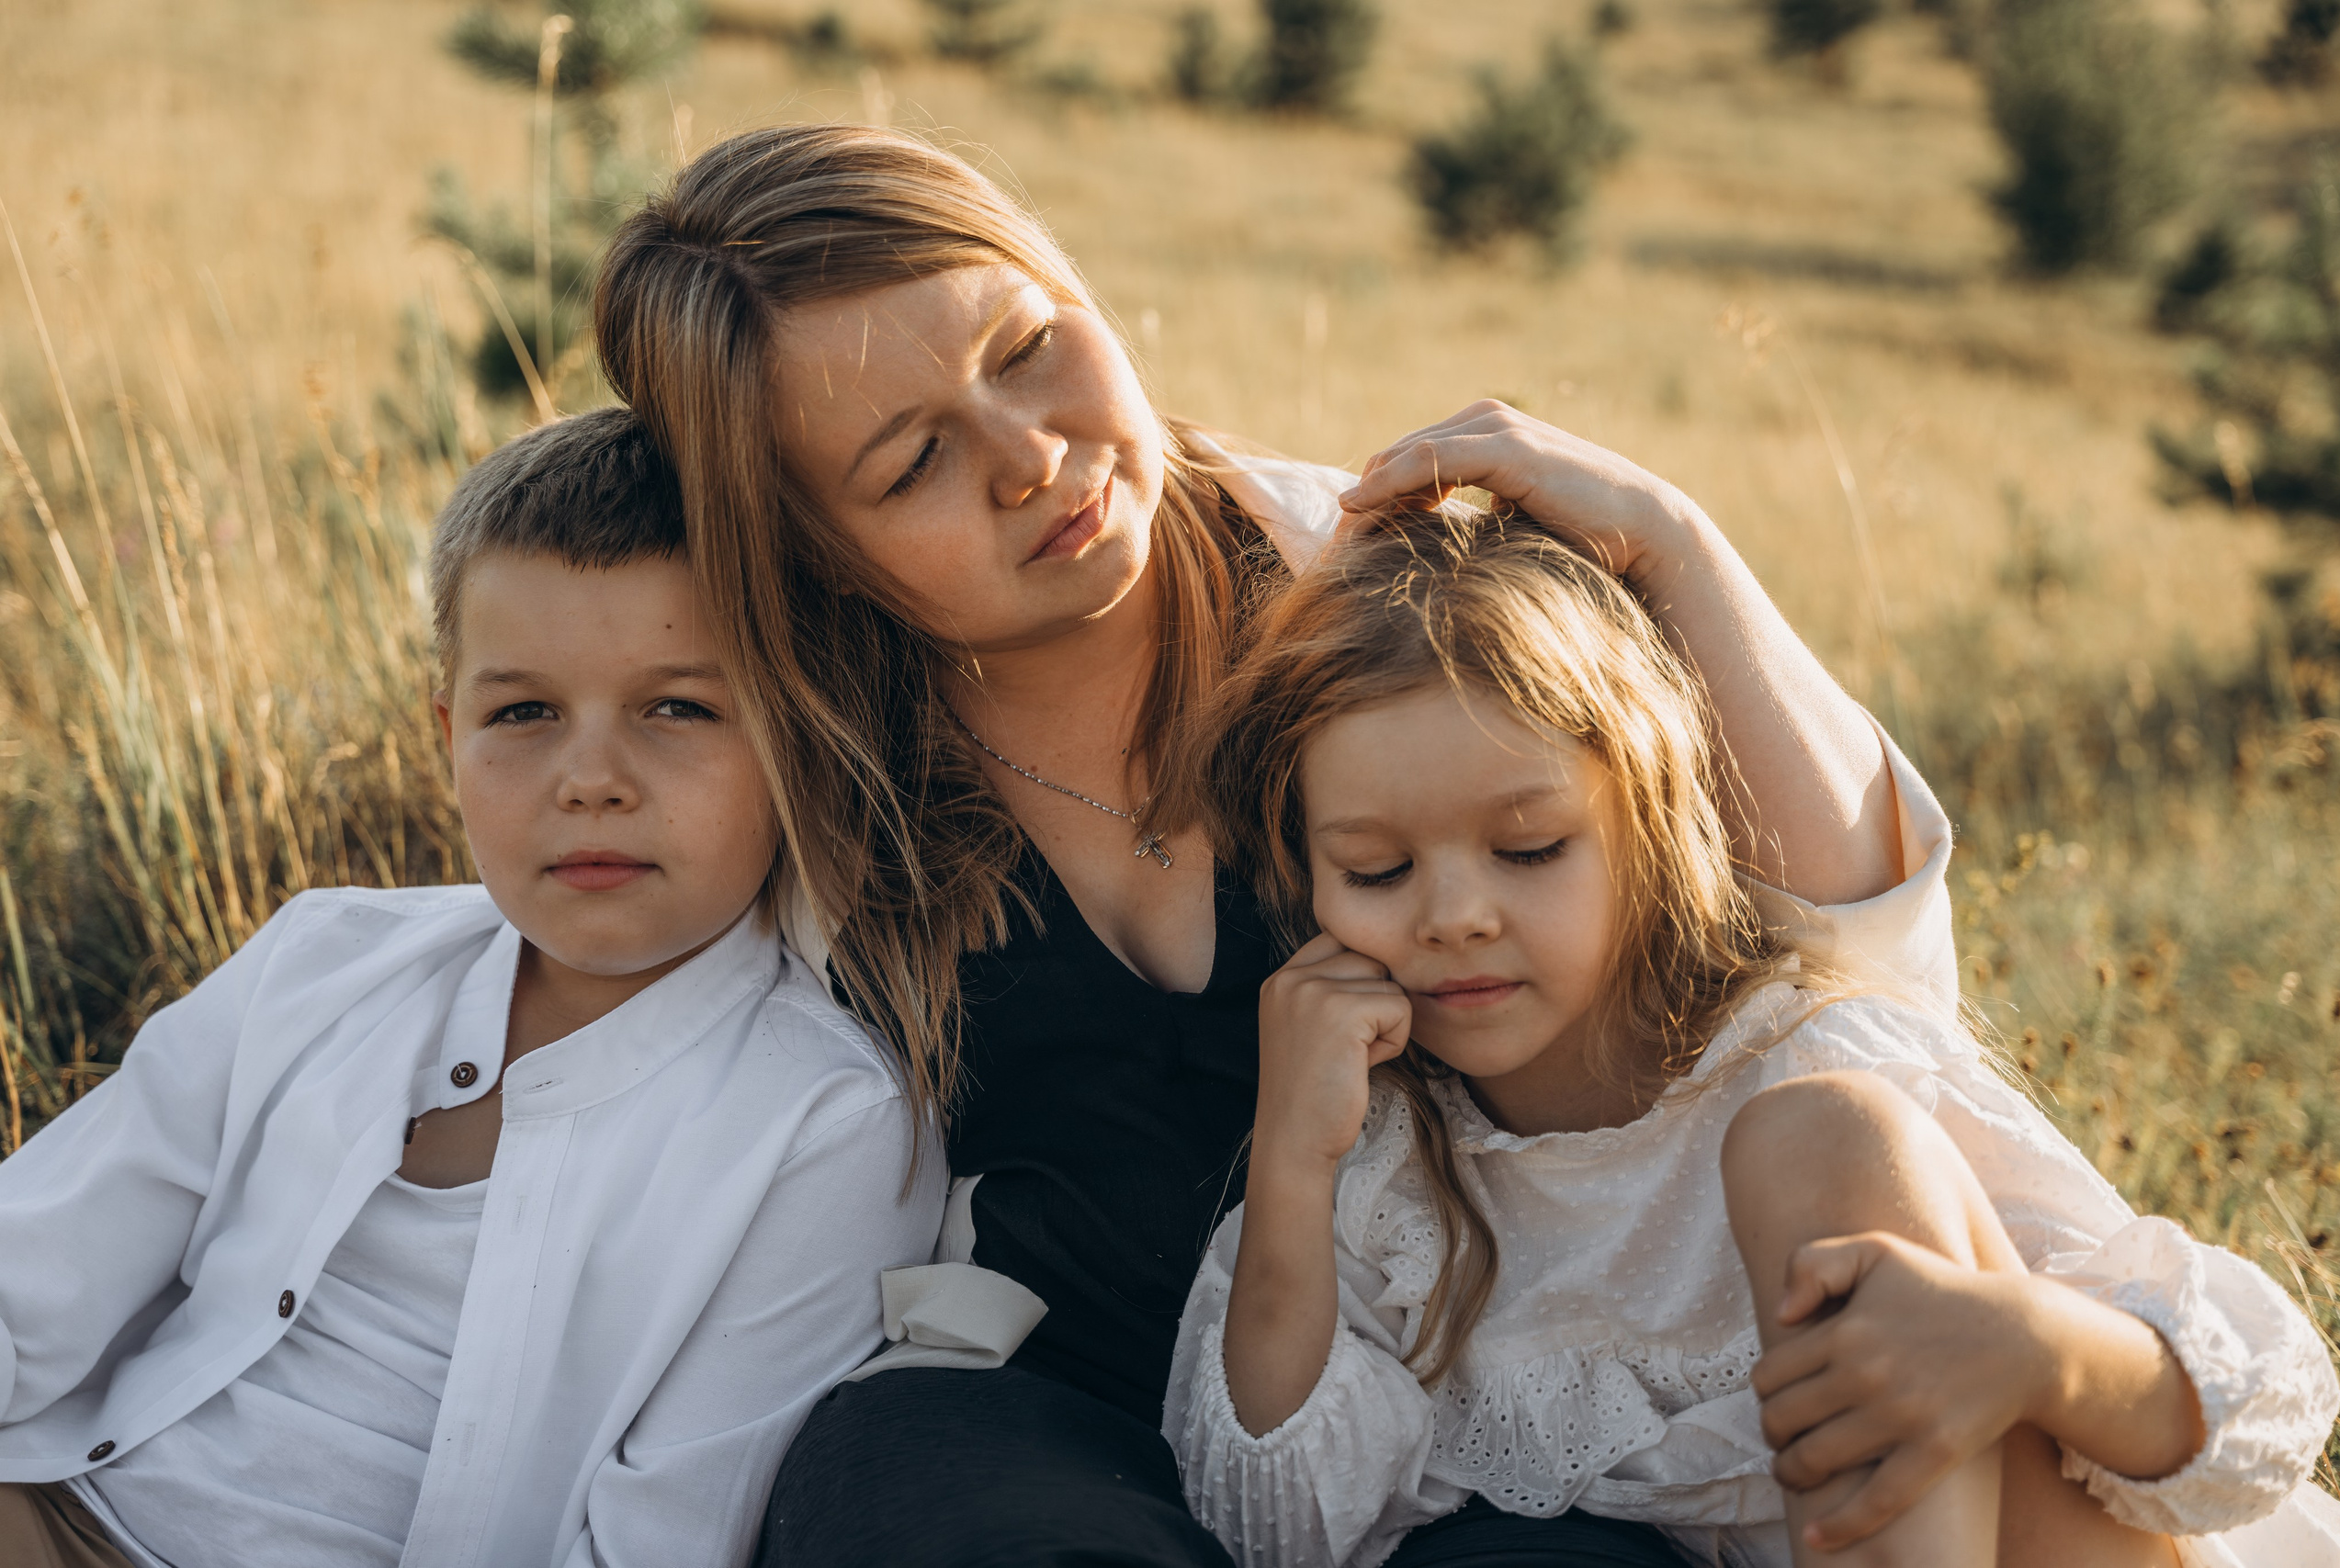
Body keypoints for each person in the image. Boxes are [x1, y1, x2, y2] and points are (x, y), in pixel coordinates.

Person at [595, 122, 1962, 1568]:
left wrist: (1676, 544)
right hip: (1068, 1416)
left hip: (1467, 1419)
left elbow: (1855, 972)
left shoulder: (1380, 595)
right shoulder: (819, 780)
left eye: (1029, 347)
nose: (1031, 456)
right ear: (811, 548)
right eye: (914, 459)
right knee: (896, 1475)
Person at [1159, 506, 2340, 1568]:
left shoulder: (1806, 1054)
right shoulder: (1396, 1170)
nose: (1454, 912)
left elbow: (2271, 1409)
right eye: (1376, 867)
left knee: (1823, 1138)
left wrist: (2034, 1344)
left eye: (1529, 847)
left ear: (1652, 818)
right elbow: (1282, 1529)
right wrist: (1290, 1158)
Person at [0, 409, 942, 1568]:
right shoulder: (326, 958)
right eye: (524, 713)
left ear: (798, 741)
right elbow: (33, 1268)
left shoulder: (824, 1125)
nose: (591, 778)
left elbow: (664, 1540)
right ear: (449, 735)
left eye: (679, 707)